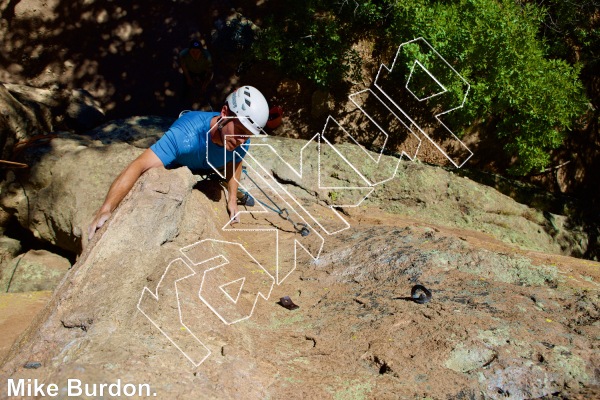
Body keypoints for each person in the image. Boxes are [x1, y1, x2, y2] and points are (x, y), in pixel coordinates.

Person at [88, 86, 269, 240]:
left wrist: (231, 200)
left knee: (225, 173)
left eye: (247, 135)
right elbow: (139, 165)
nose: (240, 140)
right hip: (181, 165)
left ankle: (232, 190)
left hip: (210, 167)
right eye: (238, 130)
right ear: (224, 113)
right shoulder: (185, 135)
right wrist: (106, 209)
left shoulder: (242, 141)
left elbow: (235, 161)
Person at [179, 39, 214, 104]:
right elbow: (184, 68)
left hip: (202, 71)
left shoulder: (207, 56)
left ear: (201, 51)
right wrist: (188, 79)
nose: (195, 54)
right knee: (186, 85)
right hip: (190, 71)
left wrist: (205, 85)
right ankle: (184, 98)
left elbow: (210, 72)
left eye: (198, 52)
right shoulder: (183, 55)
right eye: (193, 52)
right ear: (189, 51)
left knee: (207, 86)